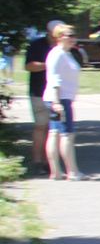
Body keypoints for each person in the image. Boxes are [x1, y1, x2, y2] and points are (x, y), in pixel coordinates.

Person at [42, 23, 85, 180]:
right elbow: (54, 79)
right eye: (69, 35)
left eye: (73, 35)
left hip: (63, 97)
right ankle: (72, 172)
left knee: (54, 133)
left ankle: (57, 172)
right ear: (59, 37)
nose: (73, 38)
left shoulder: (66, 53)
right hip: (60, 98)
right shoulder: (57, 54)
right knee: (67, 135)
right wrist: (56, 101)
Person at [23, 23, 57, 176]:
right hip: (39, 91)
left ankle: (49, 163)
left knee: (54, 129)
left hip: (58, 94)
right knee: (40, 127)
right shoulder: (37, 45)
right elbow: (29, 66)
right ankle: (37, 162)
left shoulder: (64, 47)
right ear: (49, 32)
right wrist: (48, 65)